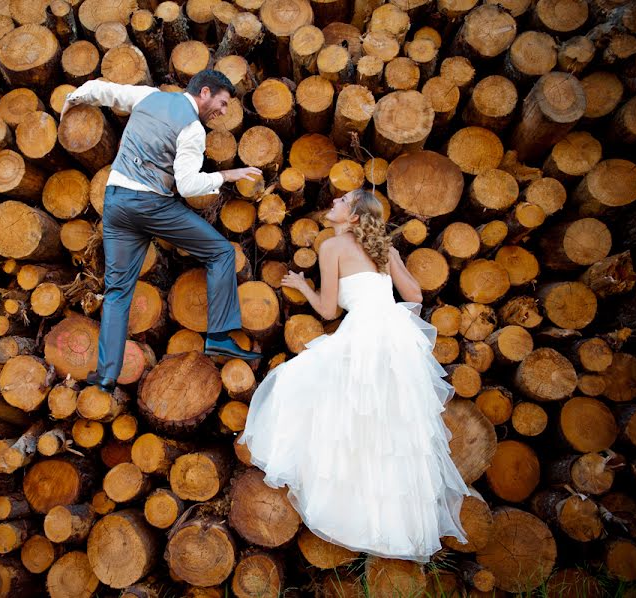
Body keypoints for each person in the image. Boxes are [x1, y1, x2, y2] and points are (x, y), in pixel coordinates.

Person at [238, 189, 469, 562]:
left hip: (364, 335)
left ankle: (357, 513)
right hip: (395, 338)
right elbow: (413, 296)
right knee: (388, 430)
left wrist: (303, 287)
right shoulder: (382, 249)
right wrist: (394, 259)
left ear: (355, 217)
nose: (333, 202)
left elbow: (329, 310)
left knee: (305, 390)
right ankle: (393, 525)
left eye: (342, 201)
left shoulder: (332, 247)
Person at [60, 70, 263, 393]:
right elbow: (188, 184)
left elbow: (105, 90)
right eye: (222, 104)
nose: (223, 112)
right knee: (221, 252)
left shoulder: (149, 96)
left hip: (116, 201)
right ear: (205, 92)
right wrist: (227, 174)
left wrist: (73, 99)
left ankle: (107, 375)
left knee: (117, 291)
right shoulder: (193, 129)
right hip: (149, 205)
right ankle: (221, 337)